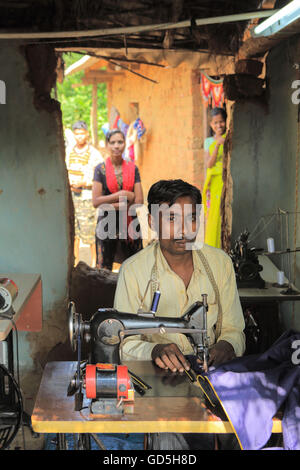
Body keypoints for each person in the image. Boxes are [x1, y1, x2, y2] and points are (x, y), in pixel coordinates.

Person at [114, 178, 245, 450]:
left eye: (191, 218)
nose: (183, 229)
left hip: (212, 376)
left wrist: (226, 345)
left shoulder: (219, 263)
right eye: (171, 218)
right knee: (168, 439)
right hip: (159, 384)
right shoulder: (134, 271)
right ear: (152, 221)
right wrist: (154, 350)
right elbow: (124, 343)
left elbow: (235, 329)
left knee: (242, 429)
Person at [92, 129, 144, 270]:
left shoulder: (133, 169)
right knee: (104, 269)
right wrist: (123, 195)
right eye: (112, 142)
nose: (116, 146)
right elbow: (96, 201)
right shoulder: (100, 169)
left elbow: (139, 200)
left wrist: (110, 203)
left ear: (125, 144)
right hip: (107, 225)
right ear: (107, 145)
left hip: (130, 225)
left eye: (120, 142)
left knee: (135, 268)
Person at [66, 120, 103, 267]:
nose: (79, 136)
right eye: (76, 134)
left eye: (82, 133)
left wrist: (85, 183)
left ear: (87, 134)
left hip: (87, 198)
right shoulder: (68, 151)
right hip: (71, 198)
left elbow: (101, 177)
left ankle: (94, 264)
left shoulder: (94, 154)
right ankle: (75, 262)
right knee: (73, 233)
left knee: (90, 233)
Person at [202, 107, 227, 249]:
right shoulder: (209, 142)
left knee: (224, 215)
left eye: (221, 122)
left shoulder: (229, 139)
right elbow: (209, 164)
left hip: (225, 181)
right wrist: (217, 144)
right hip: (213, 184)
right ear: (211, 125)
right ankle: (212, 248)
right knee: (213, 217)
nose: (219, 125)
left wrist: (224, 142)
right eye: (215, 123)